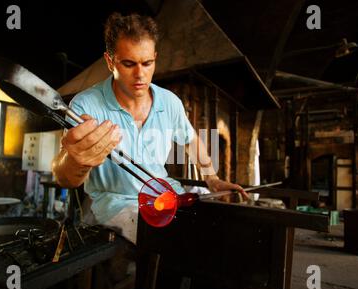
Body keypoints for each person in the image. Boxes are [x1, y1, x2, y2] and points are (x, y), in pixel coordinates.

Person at [52, 12, 248, 245]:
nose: (140, 74)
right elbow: (64, 177)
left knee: (216, 226)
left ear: (155, 57)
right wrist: (77, 161)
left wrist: (212, 178)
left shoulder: (170, 102)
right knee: (169, 242)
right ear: (110, 61)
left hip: (164, 195)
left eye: (147, 63)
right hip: (115, 204)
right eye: (128, 63)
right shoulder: (86, 105)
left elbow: (190, 139)